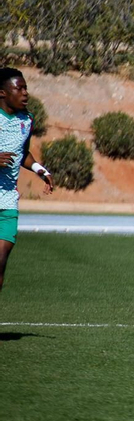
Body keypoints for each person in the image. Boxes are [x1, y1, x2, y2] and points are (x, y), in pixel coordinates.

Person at [0, 68, 54, 297]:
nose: (25, 93)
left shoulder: (27, 119)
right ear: (2, 93)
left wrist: (40, 169)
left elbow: (22, 153)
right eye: (18, 88)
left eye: (26, 88)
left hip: (8, 201)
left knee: (0, 263)